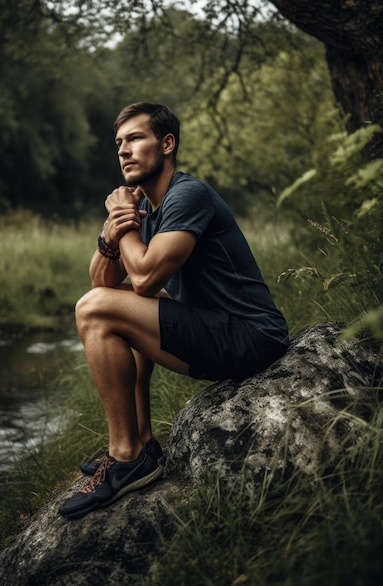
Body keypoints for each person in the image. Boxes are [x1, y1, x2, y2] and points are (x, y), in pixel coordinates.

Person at [59, 102, 288, 519]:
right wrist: (112, 234)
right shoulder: (143, 209)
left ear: (167, 144)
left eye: (135, 138)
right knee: (108, 306)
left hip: (250, 335)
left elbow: (144, 279)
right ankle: (141, 442)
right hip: (215, 326)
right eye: (119, 143)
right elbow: (104, 283)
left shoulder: (188, 195)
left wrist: (120, 219)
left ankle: (126, 457)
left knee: (101, 308)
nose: (123, 151)